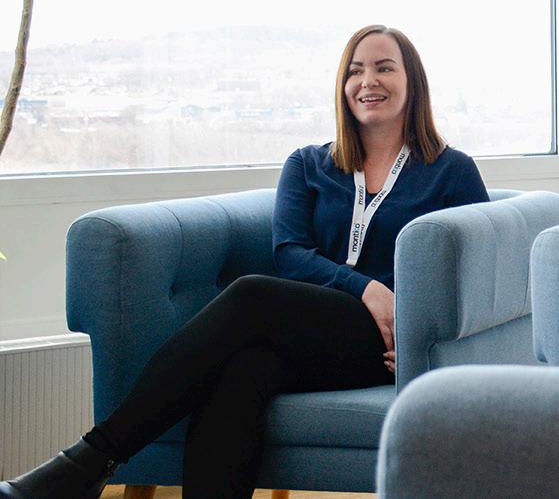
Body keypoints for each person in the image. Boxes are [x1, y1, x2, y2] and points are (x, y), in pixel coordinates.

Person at [0, 25, 490, 499]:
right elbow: (290, 254)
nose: (368, 81)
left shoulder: (451, 171)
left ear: (412, 80)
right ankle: (89, 466)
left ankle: (89, 461)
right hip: (313, 326)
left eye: (384, 68)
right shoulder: (309, 164)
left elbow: (483, 276)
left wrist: (432, 347)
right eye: (355, 71)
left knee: (252, 295)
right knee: (245, 370)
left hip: (389, 343)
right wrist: (364, 287)